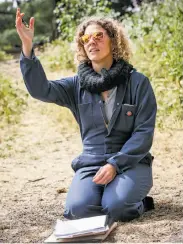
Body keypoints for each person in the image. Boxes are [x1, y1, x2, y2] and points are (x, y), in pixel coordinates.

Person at [16, 8, 157, 222]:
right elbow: (40, 90)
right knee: (77, 211)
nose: (91, 41)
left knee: (116, 208)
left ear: (113, 41)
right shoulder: (76, 85)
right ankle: (111, 195)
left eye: (98, 36)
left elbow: (143, 133)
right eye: (86, 38)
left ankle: (139, 202)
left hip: (131, 161)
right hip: (91, 163)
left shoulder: (138, 82)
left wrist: (115, 165)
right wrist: (27, 46)